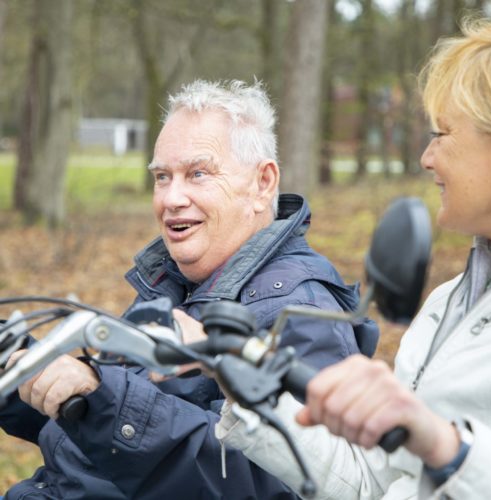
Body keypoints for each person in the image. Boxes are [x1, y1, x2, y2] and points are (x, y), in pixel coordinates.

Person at [0, 80, 378, 499]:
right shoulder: (176, 282)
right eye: (163, 176)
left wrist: (100, 399)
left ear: (263, 183)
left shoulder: (301, 313)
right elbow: (95, 440)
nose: (172, 198)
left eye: (198, 173)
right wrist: (22, 369)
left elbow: (273, 483)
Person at [216, 17, 491, 500]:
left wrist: (445, 445)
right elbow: (374, 482)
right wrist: (247, 391)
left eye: (443, 133)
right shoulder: (448, 304)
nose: (427, 158)